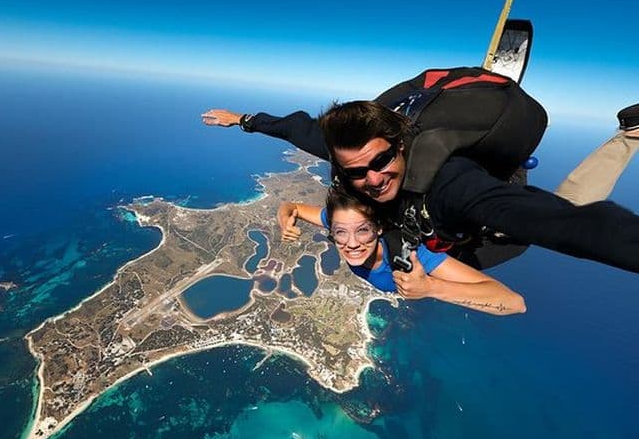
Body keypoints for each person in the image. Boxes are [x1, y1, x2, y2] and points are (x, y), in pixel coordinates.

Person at [202, 69, 639, 273]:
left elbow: (567, 225)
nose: (372, 178)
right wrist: (242, 120)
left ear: (401, 144)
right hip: (438, 226)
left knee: (559, 211)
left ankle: (629, 136)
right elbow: (296, 128)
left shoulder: (449, 184)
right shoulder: (347, 156)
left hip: (485, 228)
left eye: (382, 161)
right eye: (357, 171)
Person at [277, 184, 525, 315]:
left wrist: (430, 287)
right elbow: (290, 207)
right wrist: (284, 222)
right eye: (340, 232)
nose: (351, 243)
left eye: (363, 230)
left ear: (380, 229)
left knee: (524, 229)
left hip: (487, 244)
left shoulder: (411, 256)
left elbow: (514, 303)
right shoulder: (341, 221)